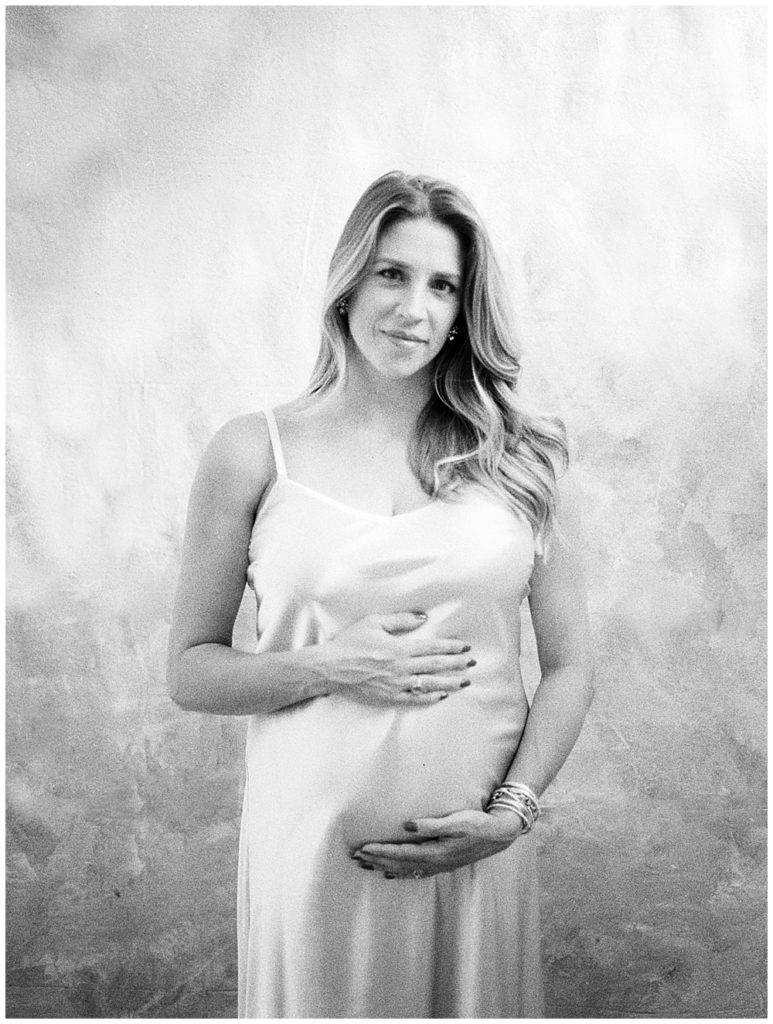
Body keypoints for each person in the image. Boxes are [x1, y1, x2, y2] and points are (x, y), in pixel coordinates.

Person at [167, 170, 594, 1018]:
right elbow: (191, 671)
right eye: (392, 274)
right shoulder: (254, 451)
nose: (414, 309)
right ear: (348, 279)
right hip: (313, 852)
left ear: (465, 307)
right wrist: (329, 665)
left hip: (473, 851)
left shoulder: (524, 456)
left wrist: (512, 812)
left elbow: (573, 665)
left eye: (444, 286)